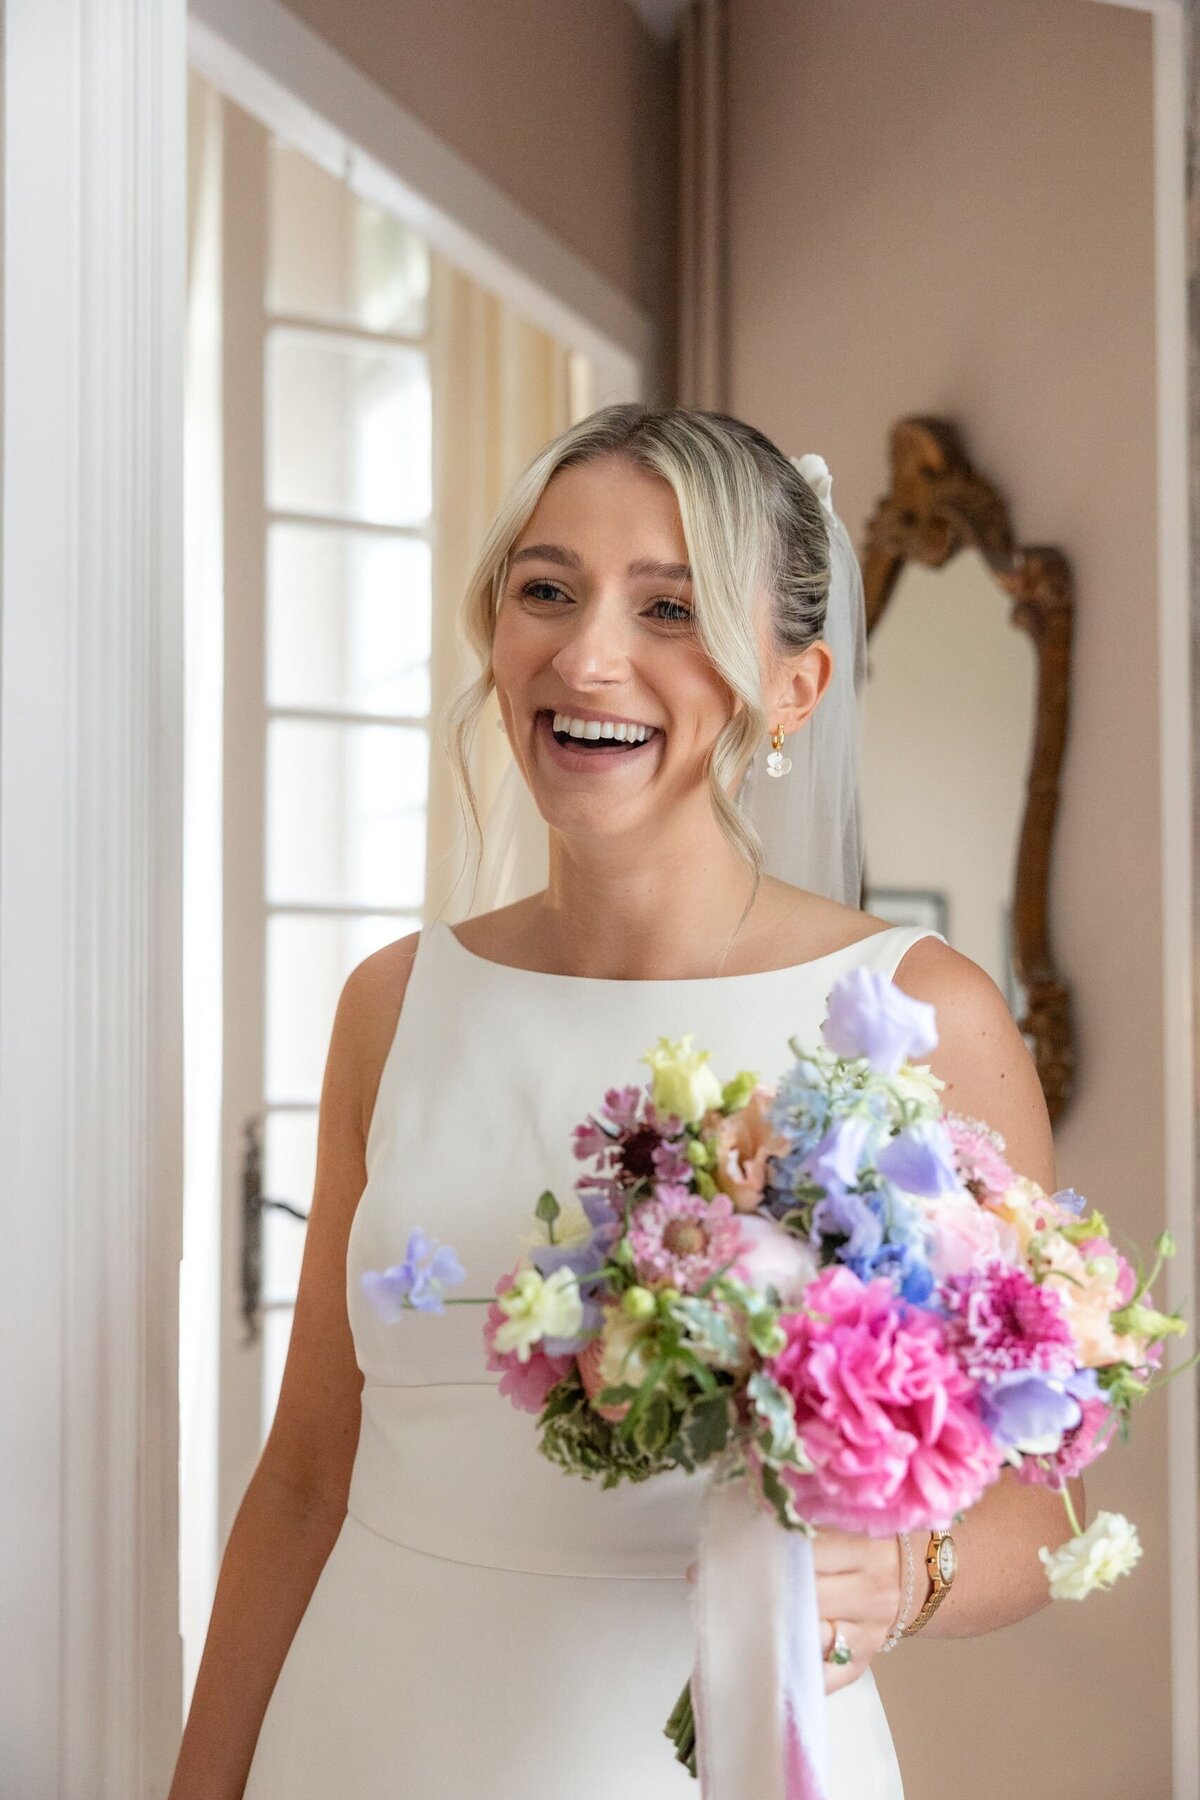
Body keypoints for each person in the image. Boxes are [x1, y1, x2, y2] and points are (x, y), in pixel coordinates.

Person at [168, 405, 1081, 1799]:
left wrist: (908, 1571)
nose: (587, 655)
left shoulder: (924, 1016)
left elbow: (1048, 1505)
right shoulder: (393, 1003)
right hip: (360, 1736)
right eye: (547, 590)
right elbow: (302, 1474)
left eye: (672, 607)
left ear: (794, 687)